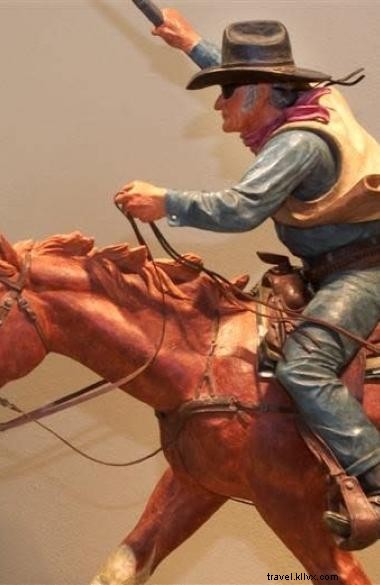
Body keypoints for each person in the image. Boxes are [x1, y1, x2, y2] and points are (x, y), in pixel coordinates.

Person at [115, 10, 380, 545]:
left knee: (305, 366)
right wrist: (191, 43)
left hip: (364, 271)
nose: (218, 104)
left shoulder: (296, 143)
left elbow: (240, 209)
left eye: (226, 92)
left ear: (260, 94)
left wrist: (165, 201)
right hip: (332, 267)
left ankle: (374, 474)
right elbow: (242, 74)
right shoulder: (302, 100)